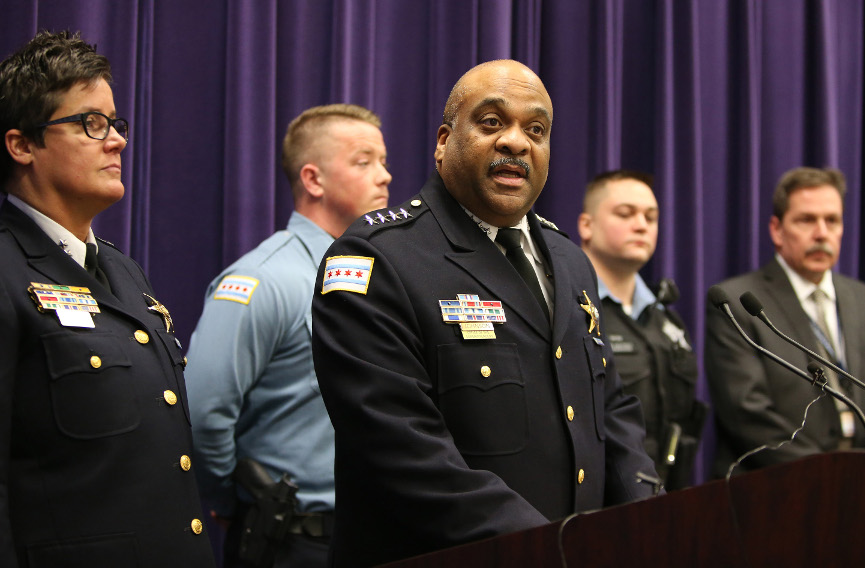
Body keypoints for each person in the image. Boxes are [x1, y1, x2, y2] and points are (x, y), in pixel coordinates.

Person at [311, 59, 659, 567]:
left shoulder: (569, 259)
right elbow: (400, 450)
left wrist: (647, 522)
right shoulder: (377, 259)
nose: (516, 142)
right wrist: (548, 548)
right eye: (492, 122)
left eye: (535, 130)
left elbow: (611, 407)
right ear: (443, 141)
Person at [0, 31, 214, 567]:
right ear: (22, 144)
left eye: (115, 124)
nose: (116, 140)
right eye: (90, 124)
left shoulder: (121, 268)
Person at [185, 104, 391, 568]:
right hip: (292, 542)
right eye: (364, 162)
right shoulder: (264, 280)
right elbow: (203, 409)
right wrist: (232, 499)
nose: (384, 176)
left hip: (372, 536)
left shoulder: (376, 279)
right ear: (314, 180)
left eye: (383, 161)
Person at [705, 166, 865, 476]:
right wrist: (829, 473)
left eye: (832, 220)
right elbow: (747, 412)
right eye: (807, 220)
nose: (821, 233)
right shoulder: (738, 303)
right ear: (777, 230)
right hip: (782, 485)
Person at [577, 170, 705, 489]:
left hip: (669, 494)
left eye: (651, 217)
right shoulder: (568, 307)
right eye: (625, 213)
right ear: (586, 226)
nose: (641, 225)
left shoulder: (665, 319)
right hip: (601, 498)